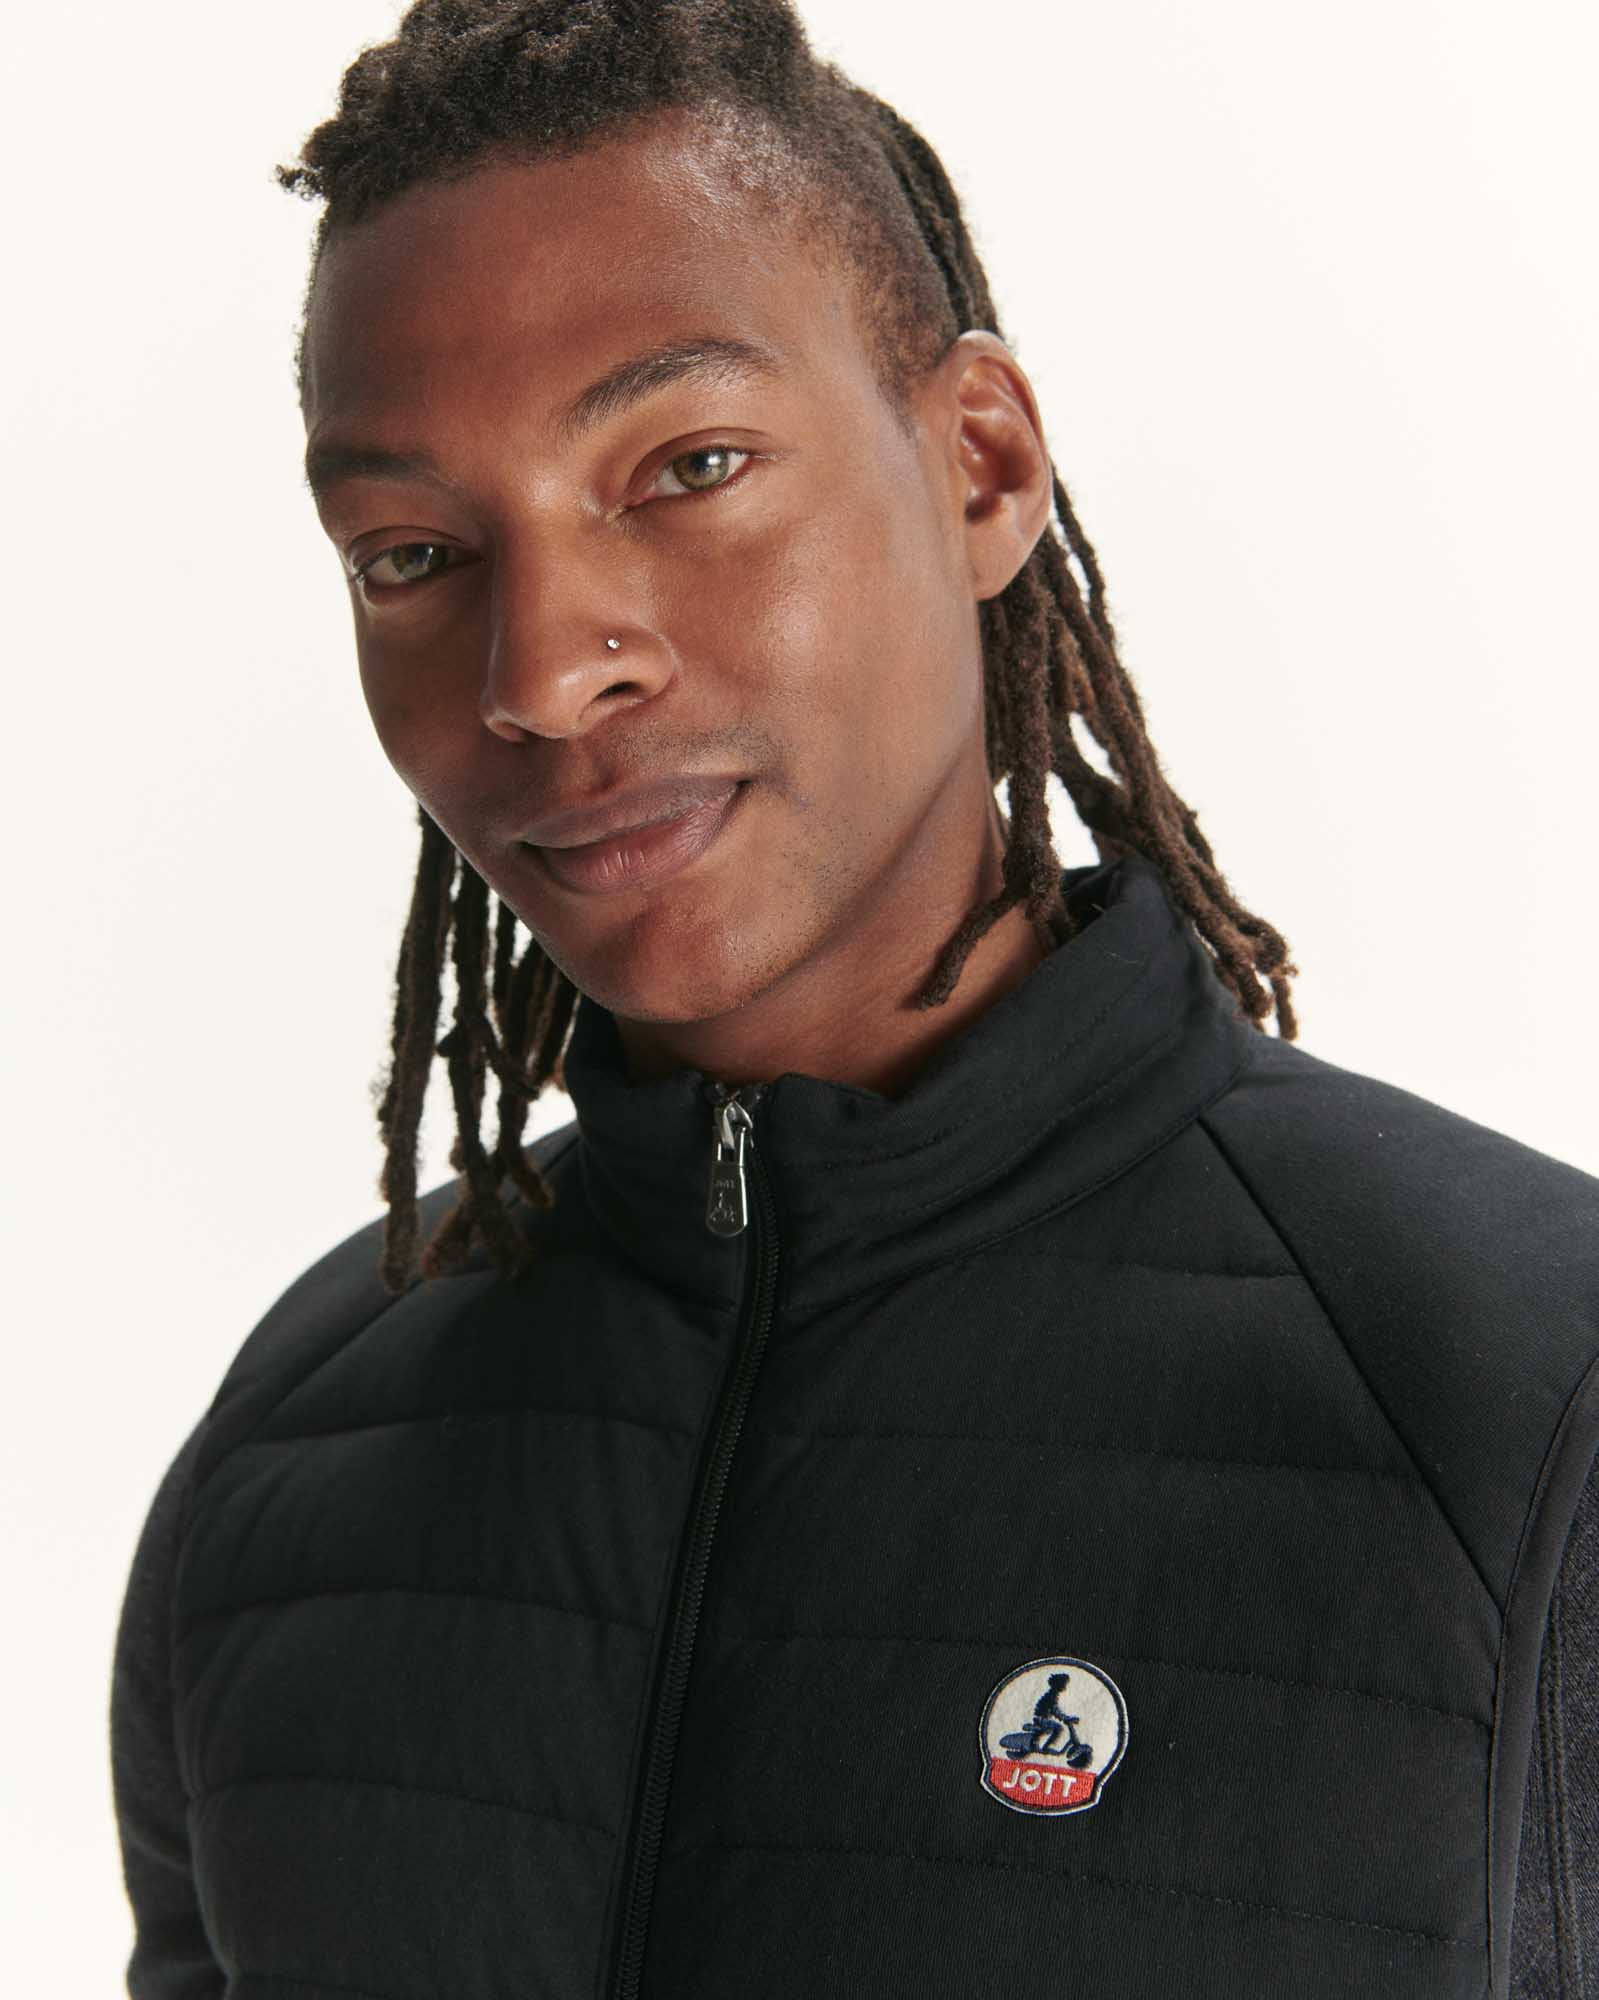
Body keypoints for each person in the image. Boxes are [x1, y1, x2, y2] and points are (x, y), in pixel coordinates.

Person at [108, 3, 1599, 1995]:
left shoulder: (1522, 1398)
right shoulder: (289, 1461)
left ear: (980, 466)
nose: (541, 670)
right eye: (412, 554)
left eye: (689, 465)